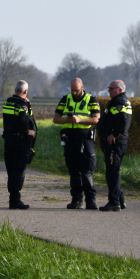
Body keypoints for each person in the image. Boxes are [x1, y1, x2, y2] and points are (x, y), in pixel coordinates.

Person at [53, 78, 100, 209]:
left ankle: (91, 200)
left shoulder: (91, 100)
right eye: (72, 90)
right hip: (69, 139)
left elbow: (96, 119)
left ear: (82, 87)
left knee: (86, 171)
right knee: (73, 171)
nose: (74, 93)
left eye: (76, 90)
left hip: (85, 139)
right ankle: (76, 200)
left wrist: (80, 120)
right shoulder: (65, 99)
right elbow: (55, 119)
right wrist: (65, 120)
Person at [97, 80, 132, 211]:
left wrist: (114, 134)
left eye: (111, 88)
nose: (109, 90)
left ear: (119, 90)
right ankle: (121, 200)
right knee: (114, 171)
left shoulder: (120, 102)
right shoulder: (118, 101)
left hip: (115, 143)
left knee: (112, 173)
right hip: (115, 142)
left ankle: (114, 201)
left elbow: (122, 120)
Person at [2, 80, 37, 209]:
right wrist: (28, 131)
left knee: (11, 170)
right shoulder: (22, 105)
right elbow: (24, 119)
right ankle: (15, 200)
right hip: (20, 142)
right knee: (19, 170)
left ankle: (13, 199)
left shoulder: (8, 101)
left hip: (9, 140)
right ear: (26, 91)